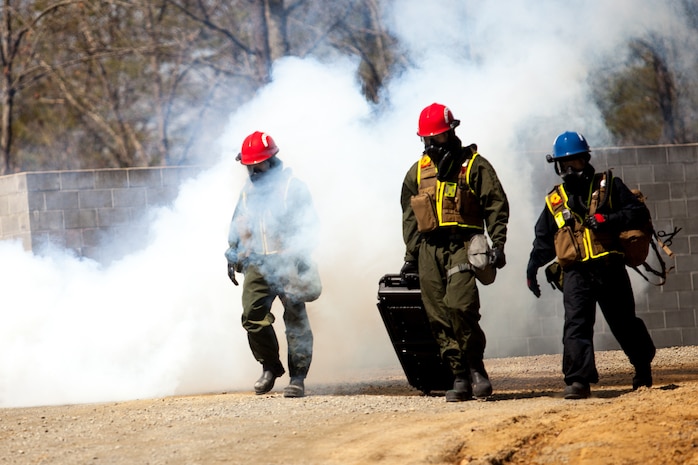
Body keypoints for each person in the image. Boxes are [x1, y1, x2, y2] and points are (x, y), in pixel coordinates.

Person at [526, 131, 656, 399]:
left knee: (623, 323)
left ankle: (642, 367)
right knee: (576, 325)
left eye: (575, 163)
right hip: (576, 274)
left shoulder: (608, 186)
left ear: (586, 160)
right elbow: (543, 239)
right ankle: (577, 381)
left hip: (609, 268)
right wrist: (532, 268)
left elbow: (638, 212)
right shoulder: (555, 200)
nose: (570, 170)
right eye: (564, 165)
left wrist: (608, 219)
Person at [400, 103, 509, 402]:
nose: (431, 144)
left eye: (436, 137)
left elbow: (496, 205)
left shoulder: (474, 165)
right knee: (438, 314)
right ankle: (458, 375)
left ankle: (476, 367)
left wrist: (497, 243)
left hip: (464, 244)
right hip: (429, 250)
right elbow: (409, 216)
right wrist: (411, 257)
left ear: (450, 133)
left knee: (461, 307)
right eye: (426, 139)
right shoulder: (418, 172)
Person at [225, 130, 322, 398]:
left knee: (295, 319)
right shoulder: (247, 192)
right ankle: (270, 366)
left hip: (288, 260)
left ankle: (298, 377)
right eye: (249, 167)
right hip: (257, 261)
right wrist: (233, 253)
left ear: (271, 161)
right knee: (252, 316)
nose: (253, 172)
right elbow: (238, 224)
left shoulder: (293, 188)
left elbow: (310, 227)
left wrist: (298, 258)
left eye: (258, 165)